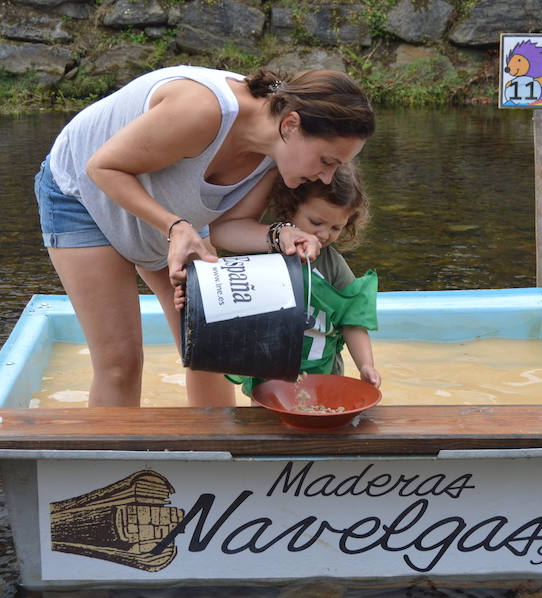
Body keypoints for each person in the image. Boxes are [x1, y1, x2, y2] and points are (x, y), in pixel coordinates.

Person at [34, 65, 375, 408]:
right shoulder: (203, 110)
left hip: (174, 212)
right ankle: (110, 462)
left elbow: (226, 227)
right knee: (120, 363)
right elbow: (101, 167)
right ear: (291, 124)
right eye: (327, 161)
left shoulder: (276, 154)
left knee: (213, 346)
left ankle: (216, 454)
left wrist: (280, 233)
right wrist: (175, 227)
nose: (328, 179)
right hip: (83, 195)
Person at [222, 165, 381, 398]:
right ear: (291, 207)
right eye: (316, 222)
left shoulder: (333, 266)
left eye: (336, 227)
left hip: (324, 378)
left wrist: (365, 365)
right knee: (264, 428)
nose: (325, 235)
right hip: (267, 379)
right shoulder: (262, 256)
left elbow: (353, 322)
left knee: (321, 426)